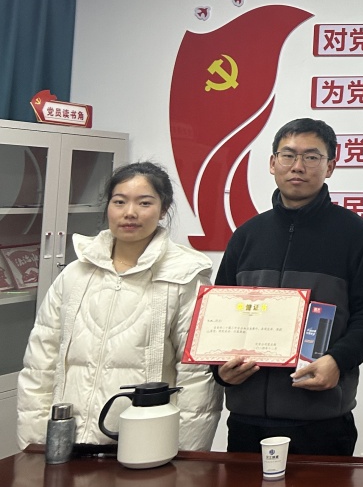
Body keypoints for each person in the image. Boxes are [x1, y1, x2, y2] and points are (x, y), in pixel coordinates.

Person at [215, 117, 363, 456]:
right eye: (288, 155)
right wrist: (219, 371)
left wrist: (338, 360)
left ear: (330, 167)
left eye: (311, 157)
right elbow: (219, 313)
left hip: (322, 420)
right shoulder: (247, 236)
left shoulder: (357, 236)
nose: (298, 166)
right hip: (246, 419)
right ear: (272, 163)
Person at [17, 162, 220, 450]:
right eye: (120, 202)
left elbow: (197, 378)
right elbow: (40, 362)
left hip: (148, 443)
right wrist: (36, 442)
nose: (130, 213)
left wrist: (187, 456)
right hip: (69, 440)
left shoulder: (185, 277)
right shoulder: (75, 274)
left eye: (144, 203)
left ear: (163, 209)